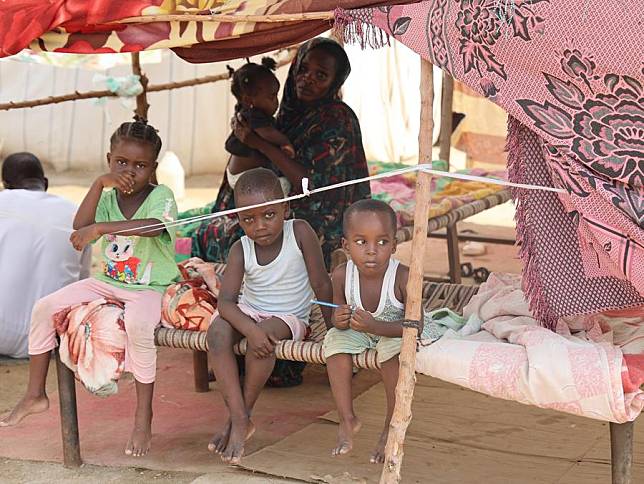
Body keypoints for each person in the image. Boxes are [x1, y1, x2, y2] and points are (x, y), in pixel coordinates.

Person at [0, 119, 180, 458]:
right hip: (108, 283)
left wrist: (101, 228)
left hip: (147, 287)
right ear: (109, 159)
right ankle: (35, 393)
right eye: (121, 163)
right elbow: (80, 226)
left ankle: (144, 414)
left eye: (140, 166)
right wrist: (99, 184)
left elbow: (154, 228)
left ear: (153, 168)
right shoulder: (107, 196)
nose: (130, 171)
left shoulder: (161, 196)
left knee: (140, 327)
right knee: (45, 307)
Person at [191, 168, 332, 464]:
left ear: (286, 208)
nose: (260, 227)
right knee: (217, 333)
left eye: (269, 215)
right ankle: (239, 417)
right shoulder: (240, 249)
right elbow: (227, 303)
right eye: (248, 219)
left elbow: (321, 282)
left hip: (289, 316)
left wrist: (332, 331)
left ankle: (240, 419)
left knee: (263, 337)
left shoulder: (300, 231)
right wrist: (249, 327)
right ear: (238, 218)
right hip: (250, 310)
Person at [192, 37, 370, 269]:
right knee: (210, 229)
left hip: (314, 221)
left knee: (240, 241)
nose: (307, 79)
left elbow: (310, 186)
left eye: (321, 76)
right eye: (303, 70)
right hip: (269, 208)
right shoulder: (285, 115)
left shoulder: (337, 119)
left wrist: (258, 143)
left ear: (334, 83)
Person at [323, 199, 435, 464]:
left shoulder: (403, 276)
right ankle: (346, 418)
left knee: (394, 354)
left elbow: (414, 326)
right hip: (362, 331)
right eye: (361, 242)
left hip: (396, 331)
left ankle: (390, 424)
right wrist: (338, 319)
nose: (372, 251)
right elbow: (336, 315)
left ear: (394, 245)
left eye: (382, 242)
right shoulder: (341, 275)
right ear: (345, 245)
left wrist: (376, 327)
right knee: (334, 342)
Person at [0, 153, 90, 359]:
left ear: (5, 185)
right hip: (49, 340)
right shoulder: (76, 214)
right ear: (46, 183)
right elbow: (82, 282)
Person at [224, 57, 293, 195]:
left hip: (239, 175)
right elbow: (267, 133)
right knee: (285, 186)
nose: (277, 101)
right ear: (250, 100)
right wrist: (285, 142)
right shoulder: (253, 116)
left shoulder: (245, 110)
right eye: (272, 96)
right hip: (242, 179)